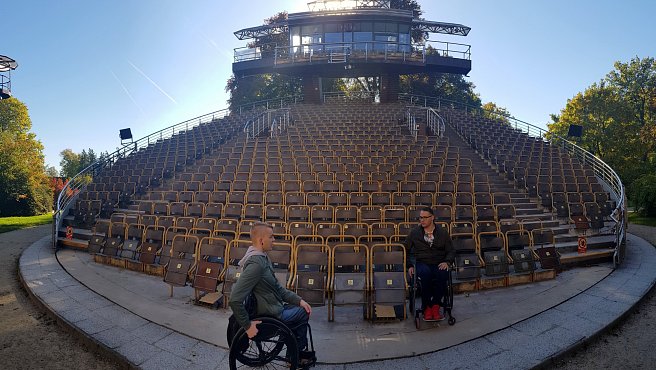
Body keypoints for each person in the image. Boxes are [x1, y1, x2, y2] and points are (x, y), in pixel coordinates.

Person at [229, 222, 314, 363]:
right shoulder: (256, 264)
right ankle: (296, 355)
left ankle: (293, 352)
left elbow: (278, 289)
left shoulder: (262, 258)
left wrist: (299, 300)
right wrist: (248, 326)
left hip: (272, 306)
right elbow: (234, 299)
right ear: (261, 241)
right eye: (271, 236)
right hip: (270, 314)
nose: (274, 240)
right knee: (303, 313)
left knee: (300, 307)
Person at [404, 207, 455, 321]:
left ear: (432, 218)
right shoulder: (415, 232)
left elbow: (451, 250)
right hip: (422, 262)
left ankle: (436, 305)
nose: (422, 220)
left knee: (443, 273)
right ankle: (426, 306)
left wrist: (447, 262)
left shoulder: (442, 232)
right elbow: (404, 250)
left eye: (425, 218)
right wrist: (410, 265)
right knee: (425, 274)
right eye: (420, 217)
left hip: (438, 262)